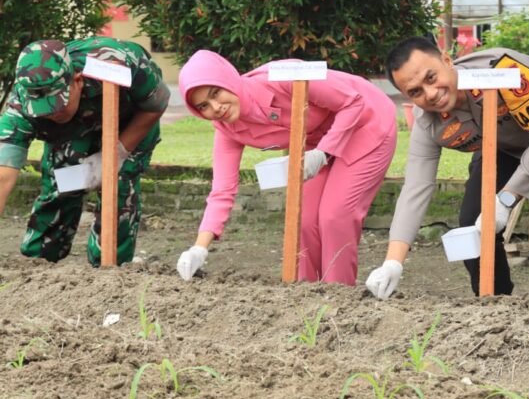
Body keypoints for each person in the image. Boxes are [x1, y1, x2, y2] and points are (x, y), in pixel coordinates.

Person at [365, 37, 529, 306]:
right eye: (416, 92)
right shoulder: (428, 123)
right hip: (508, 141)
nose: (431, 93)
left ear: (447, 61)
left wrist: (505, 200)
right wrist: (393, 262)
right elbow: (416, 187)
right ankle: (494, 303)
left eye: (431, 77)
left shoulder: (505, 71)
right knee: (473, 218)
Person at [175, 50, 397, 284]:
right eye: (204, 106)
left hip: (365, 121)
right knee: (303, 219)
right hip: (316, 143)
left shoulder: (283, 78)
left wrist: (323, 152)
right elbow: (222, 189)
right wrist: (199, 248)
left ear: (228, 79)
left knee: (334, 216)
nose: (216, 107)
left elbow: (353, 102)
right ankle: (305, 292)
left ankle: (337, 293)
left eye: (215, 93)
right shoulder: (227, 129)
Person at [0, 37, 169, 266]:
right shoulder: (19, 110)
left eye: (57, 107)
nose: (51, 114)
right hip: (72, 131)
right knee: (63, 184)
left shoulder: (121, 61)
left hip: (128, 122)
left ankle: (109, 272)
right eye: (43, 111)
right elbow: (2, 177)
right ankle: (38, 266)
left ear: (77, 80)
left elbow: (155, 105)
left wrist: (118, 153)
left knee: (119, 186)